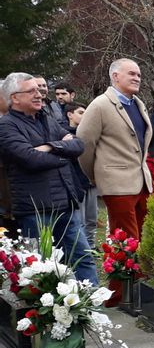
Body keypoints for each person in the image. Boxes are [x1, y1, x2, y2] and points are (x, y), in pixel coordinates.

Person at [0, 73, 98, 284]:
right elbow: (30, 159)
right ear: (15, 97)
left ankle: (93, 310)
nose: (40, 95)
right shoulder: (6, 126)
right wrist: (63, 153)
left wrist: (49, 147)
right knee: (41, 269)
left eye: (39, 90)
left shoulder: (47, 118)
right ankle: (47, 316)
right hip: (36, 210)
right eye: (32, 91)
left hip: (65, 203)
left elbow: (78, 145)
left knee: (83, 259)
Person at [78, 58, 154, 240]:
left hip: (142, 183)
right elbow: (84, 143)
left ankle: (142, 270)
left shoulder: (138, 104)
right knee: (126, 242)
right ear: (115, 76)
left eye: (139, 75)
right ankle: (128, 270)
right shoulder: (100, 105)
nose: (137, 78)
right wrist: (95, 175)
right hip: (117, 185)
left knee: (144, 238)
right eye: (132, 74)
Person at [64, 102, 99, 243]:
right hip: (76, 182)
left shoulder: (89, 133)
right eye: (80, 112)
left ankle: (90, 246)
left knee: (92, 217)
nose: (84, 116)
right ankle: (82, 248)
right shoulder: (64, 134)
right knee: (81, 219)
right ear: (70, 115)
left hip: (91, 180)